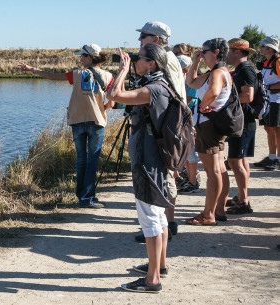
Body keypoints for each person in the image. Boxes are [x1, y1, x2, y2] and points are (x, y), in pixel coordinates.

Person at [107, 43, 178, 293]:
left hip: (148, 161)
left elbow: (114, 96)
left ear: (152, 64)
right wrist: (129, 71)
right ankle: (159, 266)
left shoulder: (154, 89)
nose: (136, 61)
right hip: (154, 159)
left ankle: (152, 280)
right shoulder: (161, 85)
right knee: (158, 217)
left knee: (150, 219)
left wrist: (123, 70)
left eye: (140, 58)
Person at [18, 44, 114, 209]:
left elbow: (53, 76)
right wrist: (100, 109)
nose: (80, 58)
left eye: (83, 56)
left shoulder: (76, 74)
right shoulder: (108, 76)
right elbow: (112, 102)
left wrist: (32, 69)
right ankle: (87, 197)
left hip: (77, 122)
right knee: (92, 161)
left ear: (90, 57)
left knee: (81, 159)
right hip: (97, 123)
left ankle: (81, 196)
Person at [133, 21, 185, 243]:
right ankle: (162, 225)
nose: (139, 40)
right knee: (163, 179)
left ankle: (166, 225)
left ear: (156, 39)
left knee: (165, 179)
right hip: (163, 126)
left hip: (163, 129)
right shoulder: (166, 59)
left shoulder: (167, 60)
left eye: (143, 36)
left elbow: (169, 94)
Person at [185, 38, 232, 225]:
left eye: (205, 51)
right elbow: (192, 82)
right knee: (219, 169)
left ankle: (209, 214)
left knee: (212, 172)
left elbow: (212, 92)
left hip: (208, 126)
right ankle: (218, 210)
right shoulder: (215, 72)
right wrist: (195, 62)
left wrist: (203, 107)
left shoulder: (218, 73)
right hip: (213, 125)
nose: (202, 54)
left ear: (217, 52)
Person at [224, 38, 257, 215]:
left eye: (229, 51)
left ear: (237, 52)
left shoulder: (244, 70)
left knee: (235, 161)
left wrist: (226, 100)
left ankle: (244, 201)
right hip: (244, 120)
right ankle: (241, 196)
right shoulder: (244, 69)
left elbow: (248, 96)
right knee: (241, 160)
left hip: (242, 121)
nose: (226, 54)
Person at [176, 54, 201, 194]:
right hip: (182, 118)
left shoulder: (192, 81)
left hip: (190, 118)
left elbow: (189, 100)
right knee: (184, 151)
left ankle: (193, 181)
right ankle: (189, 179)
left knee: (191, 151)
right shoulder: (182, 79)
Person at [254, 36, 280, 170]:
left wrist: (268, 87)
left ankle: (278, 159)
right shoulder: (267, 62)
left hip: (277, 100)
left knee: (277, 129)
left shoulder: (278, 61)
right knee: (269, 128)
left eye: (263, 46)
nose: (261, 48)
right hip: (269, 100)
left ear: (270, 48)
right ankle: (271, 156)